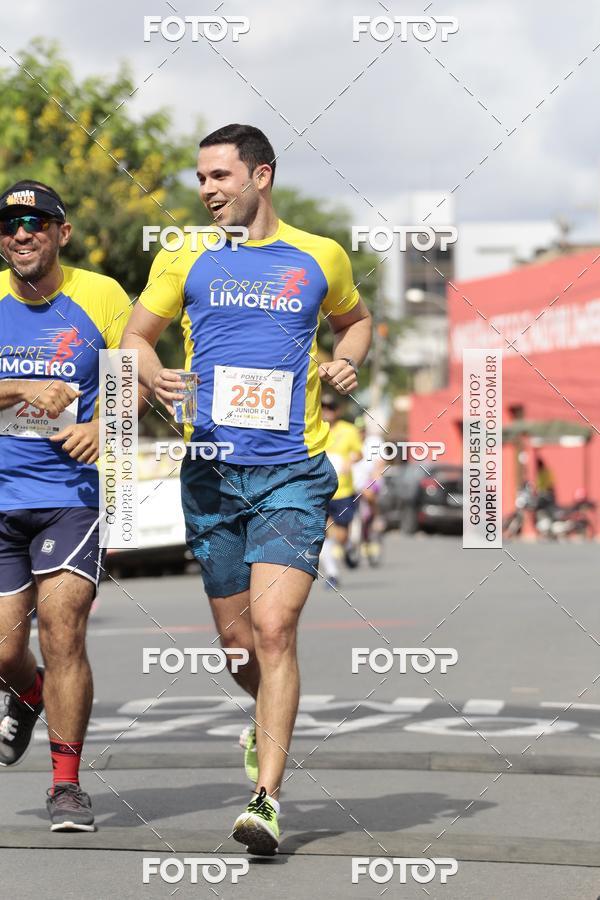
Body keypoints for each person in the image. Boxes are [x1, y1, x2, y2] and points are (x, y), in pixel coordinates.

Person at [121, 123, 372, 855]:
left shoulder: (319, 256)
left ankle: (266, 798)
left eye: (220, 177)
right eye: (201, 179)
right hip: (211, 472)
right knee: (237, 646)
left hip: (292, 469)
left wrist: (347, 361)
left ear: (261, 176)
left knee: (273, 630)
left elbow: (355, 323)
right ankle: (261, 717)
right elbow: (137, 336)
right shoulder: (184, 256)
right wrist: (151, 370)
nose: (207, 191)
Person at [0, 180, 137, 831]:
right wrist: (22, 385)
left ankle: (65, 783)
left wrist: (104, 429)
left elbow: (136, 385)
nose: (20, 234)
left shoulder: (102, 295)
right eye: (8, 225)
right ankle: (27, 694)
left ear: (62, 232)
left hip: (69, 500)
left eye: (35, 223)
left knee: (62, 629)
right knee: (3, 652)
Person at [319, 395, 363, 587]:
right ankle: (332, 574)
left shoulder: (349, 430)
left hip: (343, 490)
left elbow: (359, 453)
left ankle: (348, 548)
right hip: (320, 490)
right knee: (323, 531)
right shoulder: (314, 429)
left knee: (341, 535)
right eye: (323, 407)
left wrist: (350, 461)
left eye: (331, 407)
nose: (327, 410)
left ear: (337, 410)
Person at [351, 416, 386, 566]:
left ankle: (377, 516)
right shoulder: (351, 442)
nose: (360, 433)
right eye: (358, 431)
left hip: (371, 482)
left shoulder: (374, 442)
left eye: (362, 430)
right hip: (353, 485)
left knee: (370, 494)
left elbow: (380, 463)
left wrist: (374, 477)